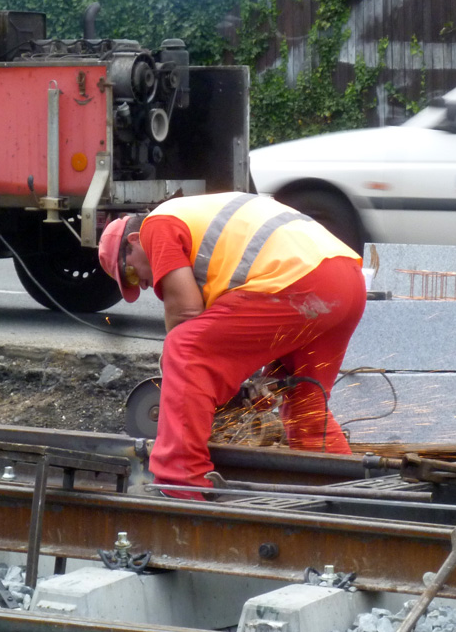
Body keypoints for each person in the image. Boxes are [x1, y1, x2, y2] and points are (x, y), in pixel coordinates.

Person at [98, 192, 366, 499]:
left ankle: (180, 483)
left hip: (300, 280)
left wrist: (179, 379)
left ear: (133, 240)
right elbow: (232, 331)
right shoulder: (200, 216)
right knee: (304, 402)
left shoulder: (156, 224)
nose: (142, 284)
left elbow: (186, 313)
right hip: (346, 279)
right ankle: (348, 494)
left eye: (131, 273)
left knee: (185, 348)